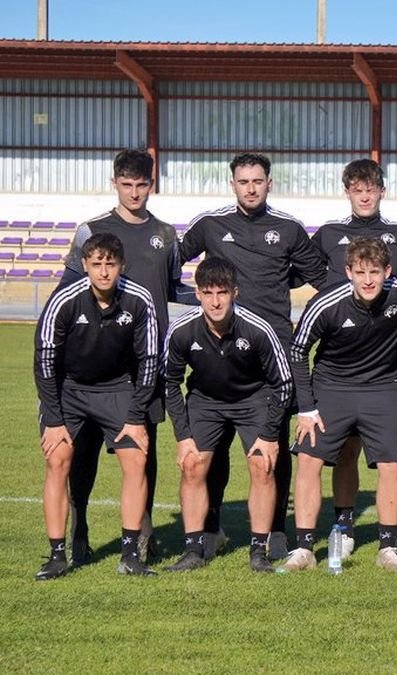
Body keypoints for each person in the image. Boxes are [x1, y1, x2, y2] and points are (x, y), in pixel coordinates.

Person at [179, 153, 328, 561]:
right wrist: (188, 302)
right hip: (218, 353)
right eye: (243, 181)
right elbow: (168, 265)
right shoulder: (210, 225)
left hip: (271, 356)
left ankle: (276, 530)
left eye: (257, 181)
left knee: (271, 448)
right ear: (232, 184)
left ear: (269, 184)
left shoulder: (288, 229)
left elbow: (324, 279)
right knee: (215, 448)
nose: (250, 187)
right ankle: (211, 529)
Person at [280, 238, 397, 573]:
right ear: (348, 272)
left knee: (391, 465)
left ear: (388, 271)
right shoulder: (326, 303)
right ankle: (304, 549)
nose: (368, 280)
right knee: (309, 460)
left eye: (375, 272)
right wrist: (307, 408)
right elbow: (298, 351)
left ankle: (388, 548)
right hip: (331, 389)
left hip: (383, 389)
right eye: (360, 272)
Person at [60, 149, 191, 566]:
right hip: (94, 362)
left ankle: (143, 533)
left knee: (142, 451)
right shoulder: (91, 231)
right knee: (84, 452)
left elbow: (174, 290)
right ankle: (78, 523)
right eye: (127, 184)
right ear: (115, 182)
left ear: (152, 185)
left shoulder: (167, 235)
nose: (134, 192)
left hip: (144, 362)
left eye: (142, 184)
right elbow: (66, 292)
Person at [310, 159, 397, 561]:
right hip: (341, 364)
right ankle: (344, 523)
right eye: (356, 189)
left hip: (391, 361)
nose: (364, 195)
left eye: (371, 188)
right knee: (345, 448)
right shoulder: (329, 235)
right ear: (347, 191)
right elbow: (302, 273)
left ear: (382, 190)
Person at [34, 233, 158, 579]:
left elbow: (149, 361)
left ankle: (130, 555)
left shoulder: (139, 299)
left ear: (122, 266)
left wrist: (135, 419)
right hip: (68, 389)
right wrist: (55, 420)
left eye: (111, 264)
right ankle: (58, 555)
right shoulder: (64, 301)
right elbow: (44, 362)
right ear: (85, 265)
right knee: (57, 459)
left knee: (136, 459)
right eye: (97, 264)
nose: (104, 272)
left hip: (117, 388)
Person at [161, 257, 293, 573]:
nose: (216, 301)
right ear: (198, 294)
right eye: (208, 293)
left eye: (222, 292)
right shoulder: (182, 330)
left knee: (262, 465)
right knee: (192, 465)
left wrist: (270, 434)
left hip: (253, 399)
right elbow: (168, 382)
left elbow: (283, 383)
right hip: (206, 401)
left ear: (235, 292)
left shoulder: (258, 329)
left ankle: (259, 551)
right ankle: (194, 549)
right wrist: (183, 436)